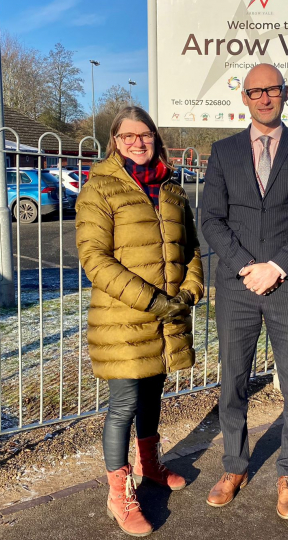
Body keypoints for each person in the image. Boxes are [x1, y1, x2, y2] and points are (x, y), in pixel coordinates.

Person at [200, 63, 288, 520]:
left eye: (272, 89)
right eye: (255, 91)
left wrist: (275, 267)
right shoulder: (223, 152)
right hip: (236, 287)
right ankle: (235, 465)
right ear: (244, 97)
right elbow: (210, 219)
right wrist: (245, 267)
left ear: (285, 92)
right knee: (232, 381)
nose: (264, 97)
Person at [75, 106, 204, 537]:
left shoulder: (171, 188)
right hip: (124, 320)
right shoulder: (100, 189)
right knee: (124, 405)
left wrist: (189, 291)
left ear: (155, 137)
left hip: (167, 318)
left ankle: (150, 466)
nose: (137, 142)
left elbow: (191, 249)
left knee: (153, 395)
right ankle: (118, 494)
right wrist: (154, 301)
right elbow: (95, 260)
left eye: (144, 134)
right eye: (127, 136)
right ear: (114, 141)